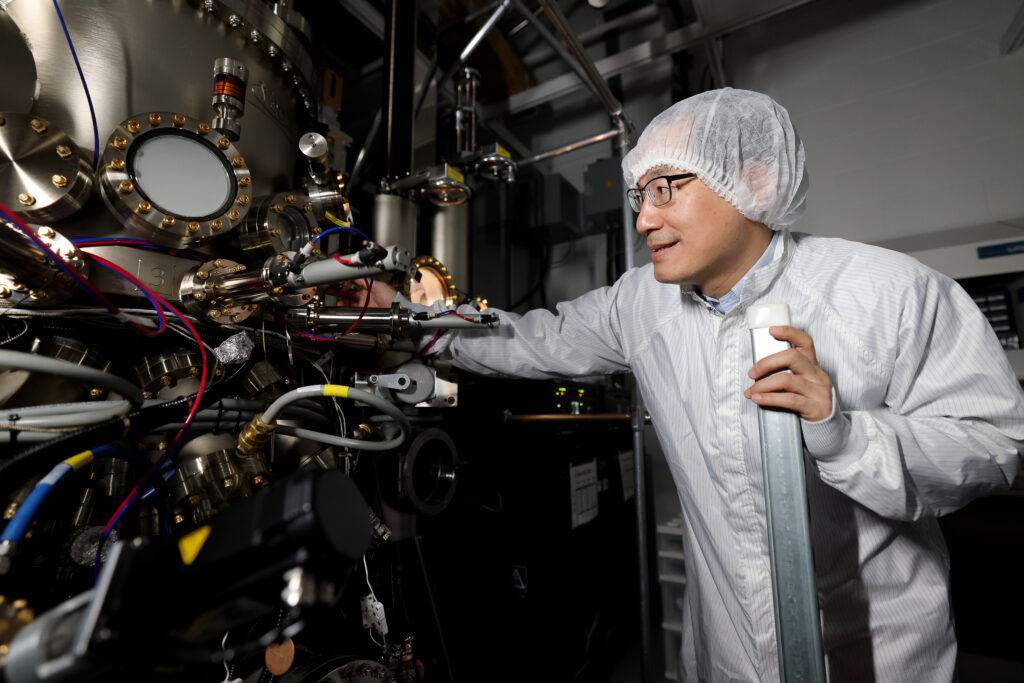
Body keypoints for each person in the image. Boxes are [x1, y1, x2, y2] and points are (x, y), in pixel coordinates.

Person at [342, 88, 1024, 682]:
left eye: (667, 188)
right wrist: (411, 318)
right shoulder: (643, 302)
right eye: (642, 194)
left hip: (880, 655)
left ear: (754, 179)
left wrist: (846, 434)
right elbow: (531, 339)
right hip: (726, 650)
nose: (643, 219)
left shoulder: (887, 292)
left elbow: (997, 441)